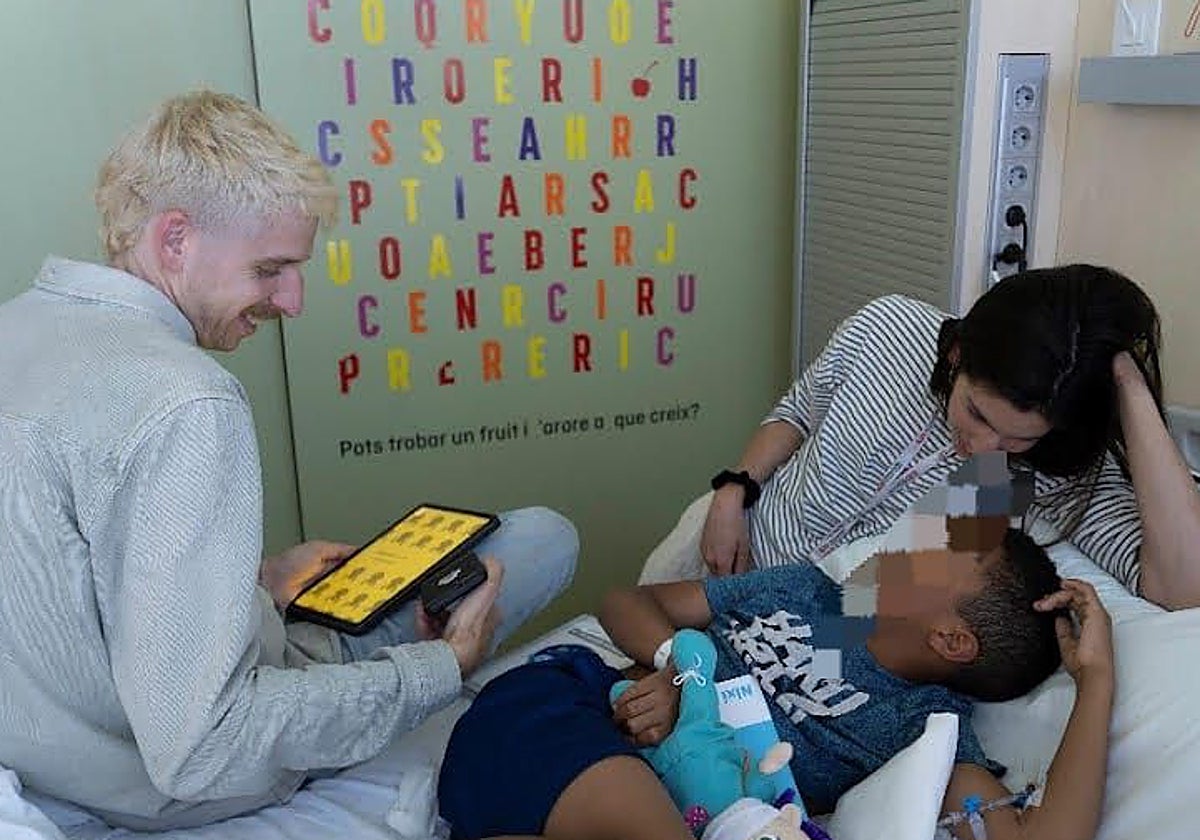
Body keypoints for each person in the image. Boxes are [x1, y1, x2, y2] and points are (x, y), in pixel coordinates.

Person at [0, 90, 577, 831]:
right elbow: (204, 748)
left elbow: (65, 577)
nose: (294, 300)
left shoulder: (16, 326)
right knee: (541, 539)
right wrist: (443, 667)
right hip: (161, 785)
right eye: (270, 268)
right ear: (175, 240)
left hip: (49, 748)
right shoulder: (186, 400)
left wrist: (259, 581)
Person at [436, 518, 1116, 840]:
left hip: (634, 809)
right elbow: (623, 602)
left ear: (951, 640)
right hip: (568, 718)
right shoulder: (806, 592)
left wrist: (1096, 683)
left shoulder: (923, 725)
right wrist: (679, 667)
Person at [693, 269, 1199, 609]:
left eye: (1016, 440)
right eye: (976, 413)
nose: (983, 447)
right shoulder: (888, 329)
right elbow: (798, 412)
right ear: (957, 354)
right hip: (726, 561)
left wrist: (1128, 382)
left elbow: (1183, 587)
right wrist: (734, 489)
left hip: (802, 641)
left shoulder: (1060, 474)